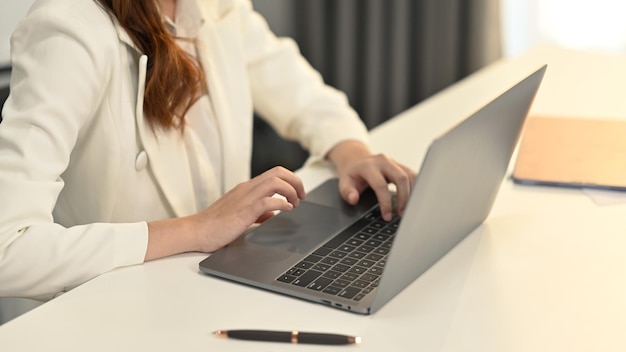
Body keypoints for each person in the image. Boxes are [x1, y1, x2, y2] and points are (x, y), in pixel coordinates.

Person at [0, 0, 415, 301]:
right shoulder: (67, 29)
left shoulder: (215, 6)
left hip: (211, 293)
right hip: (114, 312)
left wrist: (351, 152)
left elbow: (305, 97)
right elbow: (8, 249)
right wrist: (197, 228)